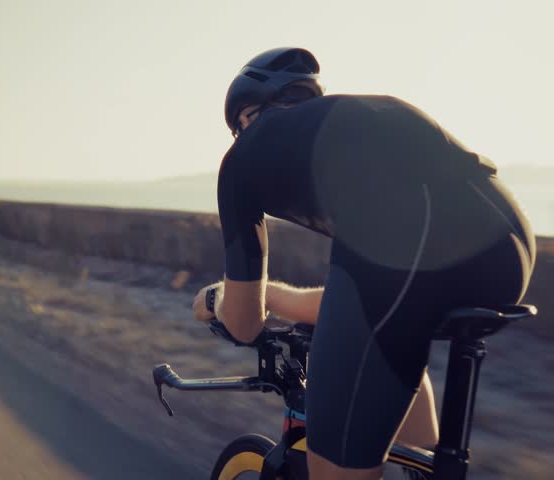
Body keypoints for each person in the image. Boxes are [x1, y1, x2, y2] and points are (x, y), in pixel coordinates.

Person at [192, 47, 536, 480]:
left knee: (334, 465)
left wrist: (214, 297)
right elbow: (360, 298)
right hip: (510, 244)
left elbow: (244, 323)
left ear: (245, 118)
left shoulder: (242, 159)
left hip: (417, 241)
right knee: (392, 334)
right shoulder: (357, 131)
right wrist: (277, 297)